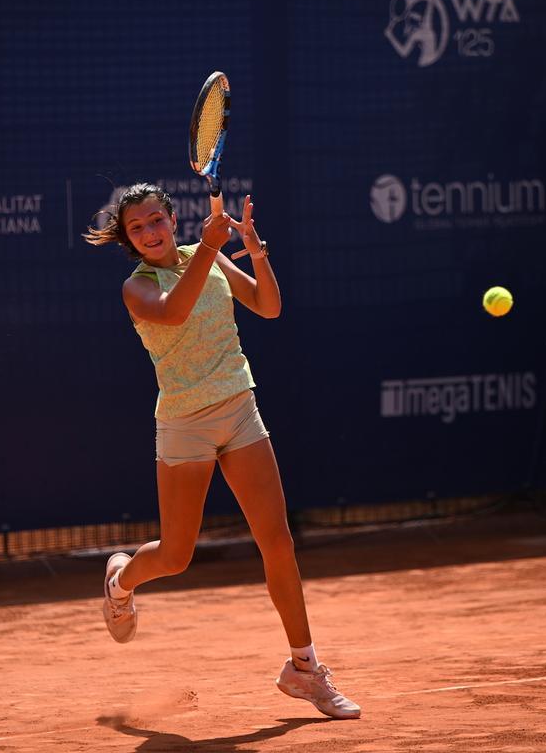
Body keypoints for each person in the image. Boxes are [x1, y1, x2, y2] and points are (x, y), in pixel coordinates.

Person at [83, 182, 360, 720]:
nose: (149, 233)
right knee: (177, 556)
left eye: (155, 220)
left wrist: (253, 251)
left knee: (278, 542)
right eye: (137, 228)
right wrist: (209, 247)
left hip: (239, 407)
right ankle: (121, 579)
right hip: (185, 425)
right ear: (129, 239)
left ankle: (305, 669)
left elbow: (268, 305)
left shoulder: (202, 259)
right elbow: (173, 313)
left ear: (171, 218)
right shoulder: (136, 288)